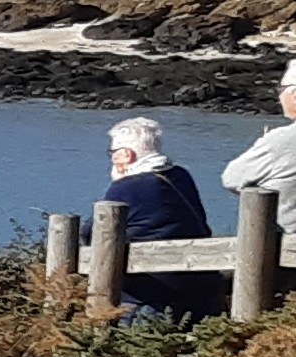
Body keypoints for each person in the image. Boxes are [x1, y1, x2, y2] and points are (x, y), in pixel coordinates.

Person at [98, 116, 210, 314]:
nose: (111, 158)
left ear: (126, 155)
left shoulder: (126, 188)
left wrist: (118, 181)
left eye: (113, 153)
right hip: (197, 285)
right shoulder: (181, 175)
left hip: (150, 293)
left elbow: (96, 234)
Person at [219, 60, 296, 234]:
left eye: (281, 90)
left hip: (287, 247)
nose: (278, 97)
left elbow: (231, 178)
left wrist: (265, 143)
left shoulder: (281, 140)